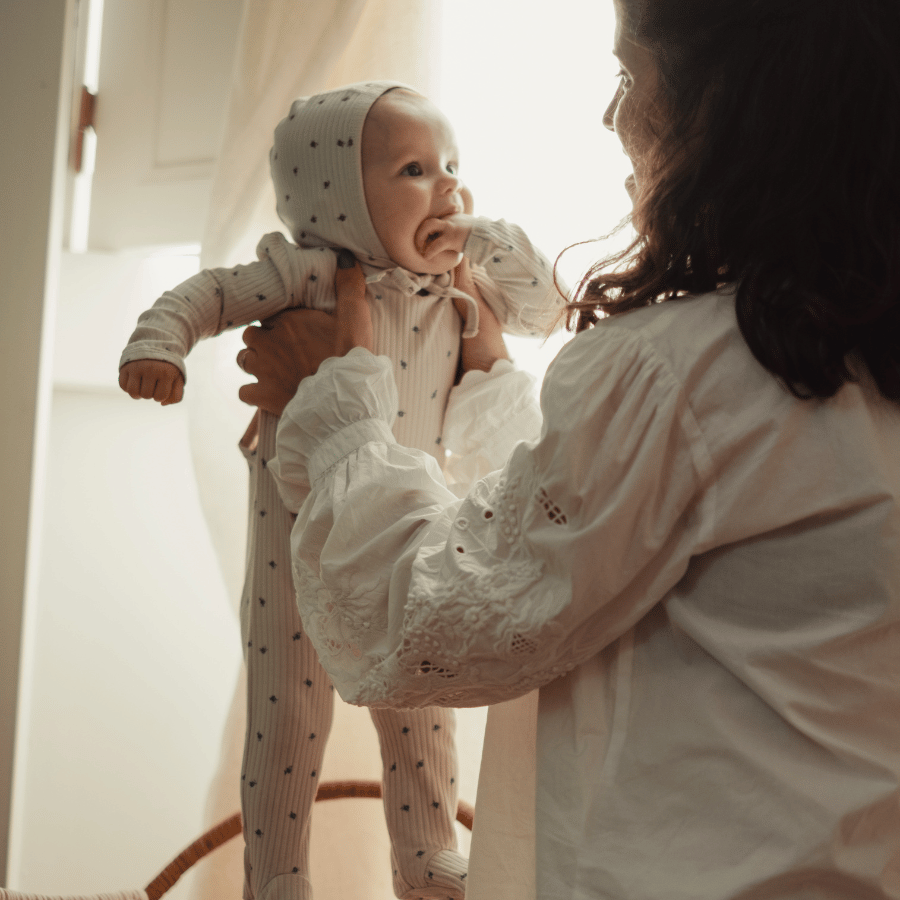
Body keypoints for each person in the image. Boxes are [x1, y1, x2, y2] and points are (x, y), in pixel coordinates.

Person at [242, 1, 900, 898]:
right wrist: (492, 379)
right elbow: (591, 537)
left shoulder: (683, 372)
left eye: (628, 78)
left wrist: (336, 408)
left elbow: (425, 623)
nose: (610, 119)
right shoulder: (839, 360)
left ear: (735, 109)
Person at [117, 81, 564, 900]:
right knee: (290, 711)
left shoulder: (460, 284)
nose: (450, 188)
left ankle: (427, 854)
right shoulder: (307, 273)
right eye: (416, 170)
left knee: (419, 687)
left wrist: (486, 236)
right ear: (339, 198)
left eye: (454, 166)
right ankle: (278, 875)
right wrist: (160, 343)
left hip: (405, 514)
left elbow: (548, 306)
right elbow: (208, 294)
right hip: (294, 524)